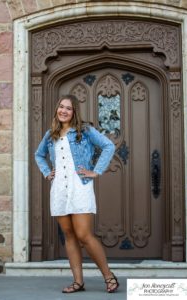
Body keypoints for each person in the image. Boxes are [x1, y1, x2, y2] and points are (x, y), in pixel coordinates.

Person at [35, 94, 119, 293]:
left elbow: (108, 145)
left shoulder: (85, 130)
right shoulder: (51, 134)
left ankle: (109, 276)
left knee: (84, 234)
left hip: (79, 186)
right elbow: (38, 155)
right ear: (57, 109)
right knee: (69, 235)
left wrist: (96, 171)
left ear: (74, 112)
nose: (63, 111)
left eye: (68, 108)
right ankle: (78, 281)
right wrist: (48, 172)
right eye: (61, 107)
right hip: (59, 189)